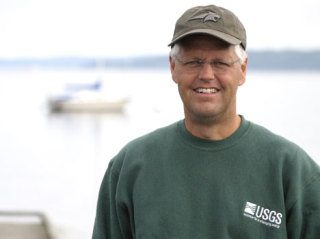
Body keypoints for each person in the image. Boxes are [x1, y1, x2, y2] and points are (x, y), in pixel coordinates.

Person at [92, 4, 320, 239]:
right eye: (193, 62)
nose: (207, 74)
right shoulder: (130, 166)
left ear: (242, 69)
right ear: (173, 68)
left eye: (220, 62)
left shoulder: (291, 170)